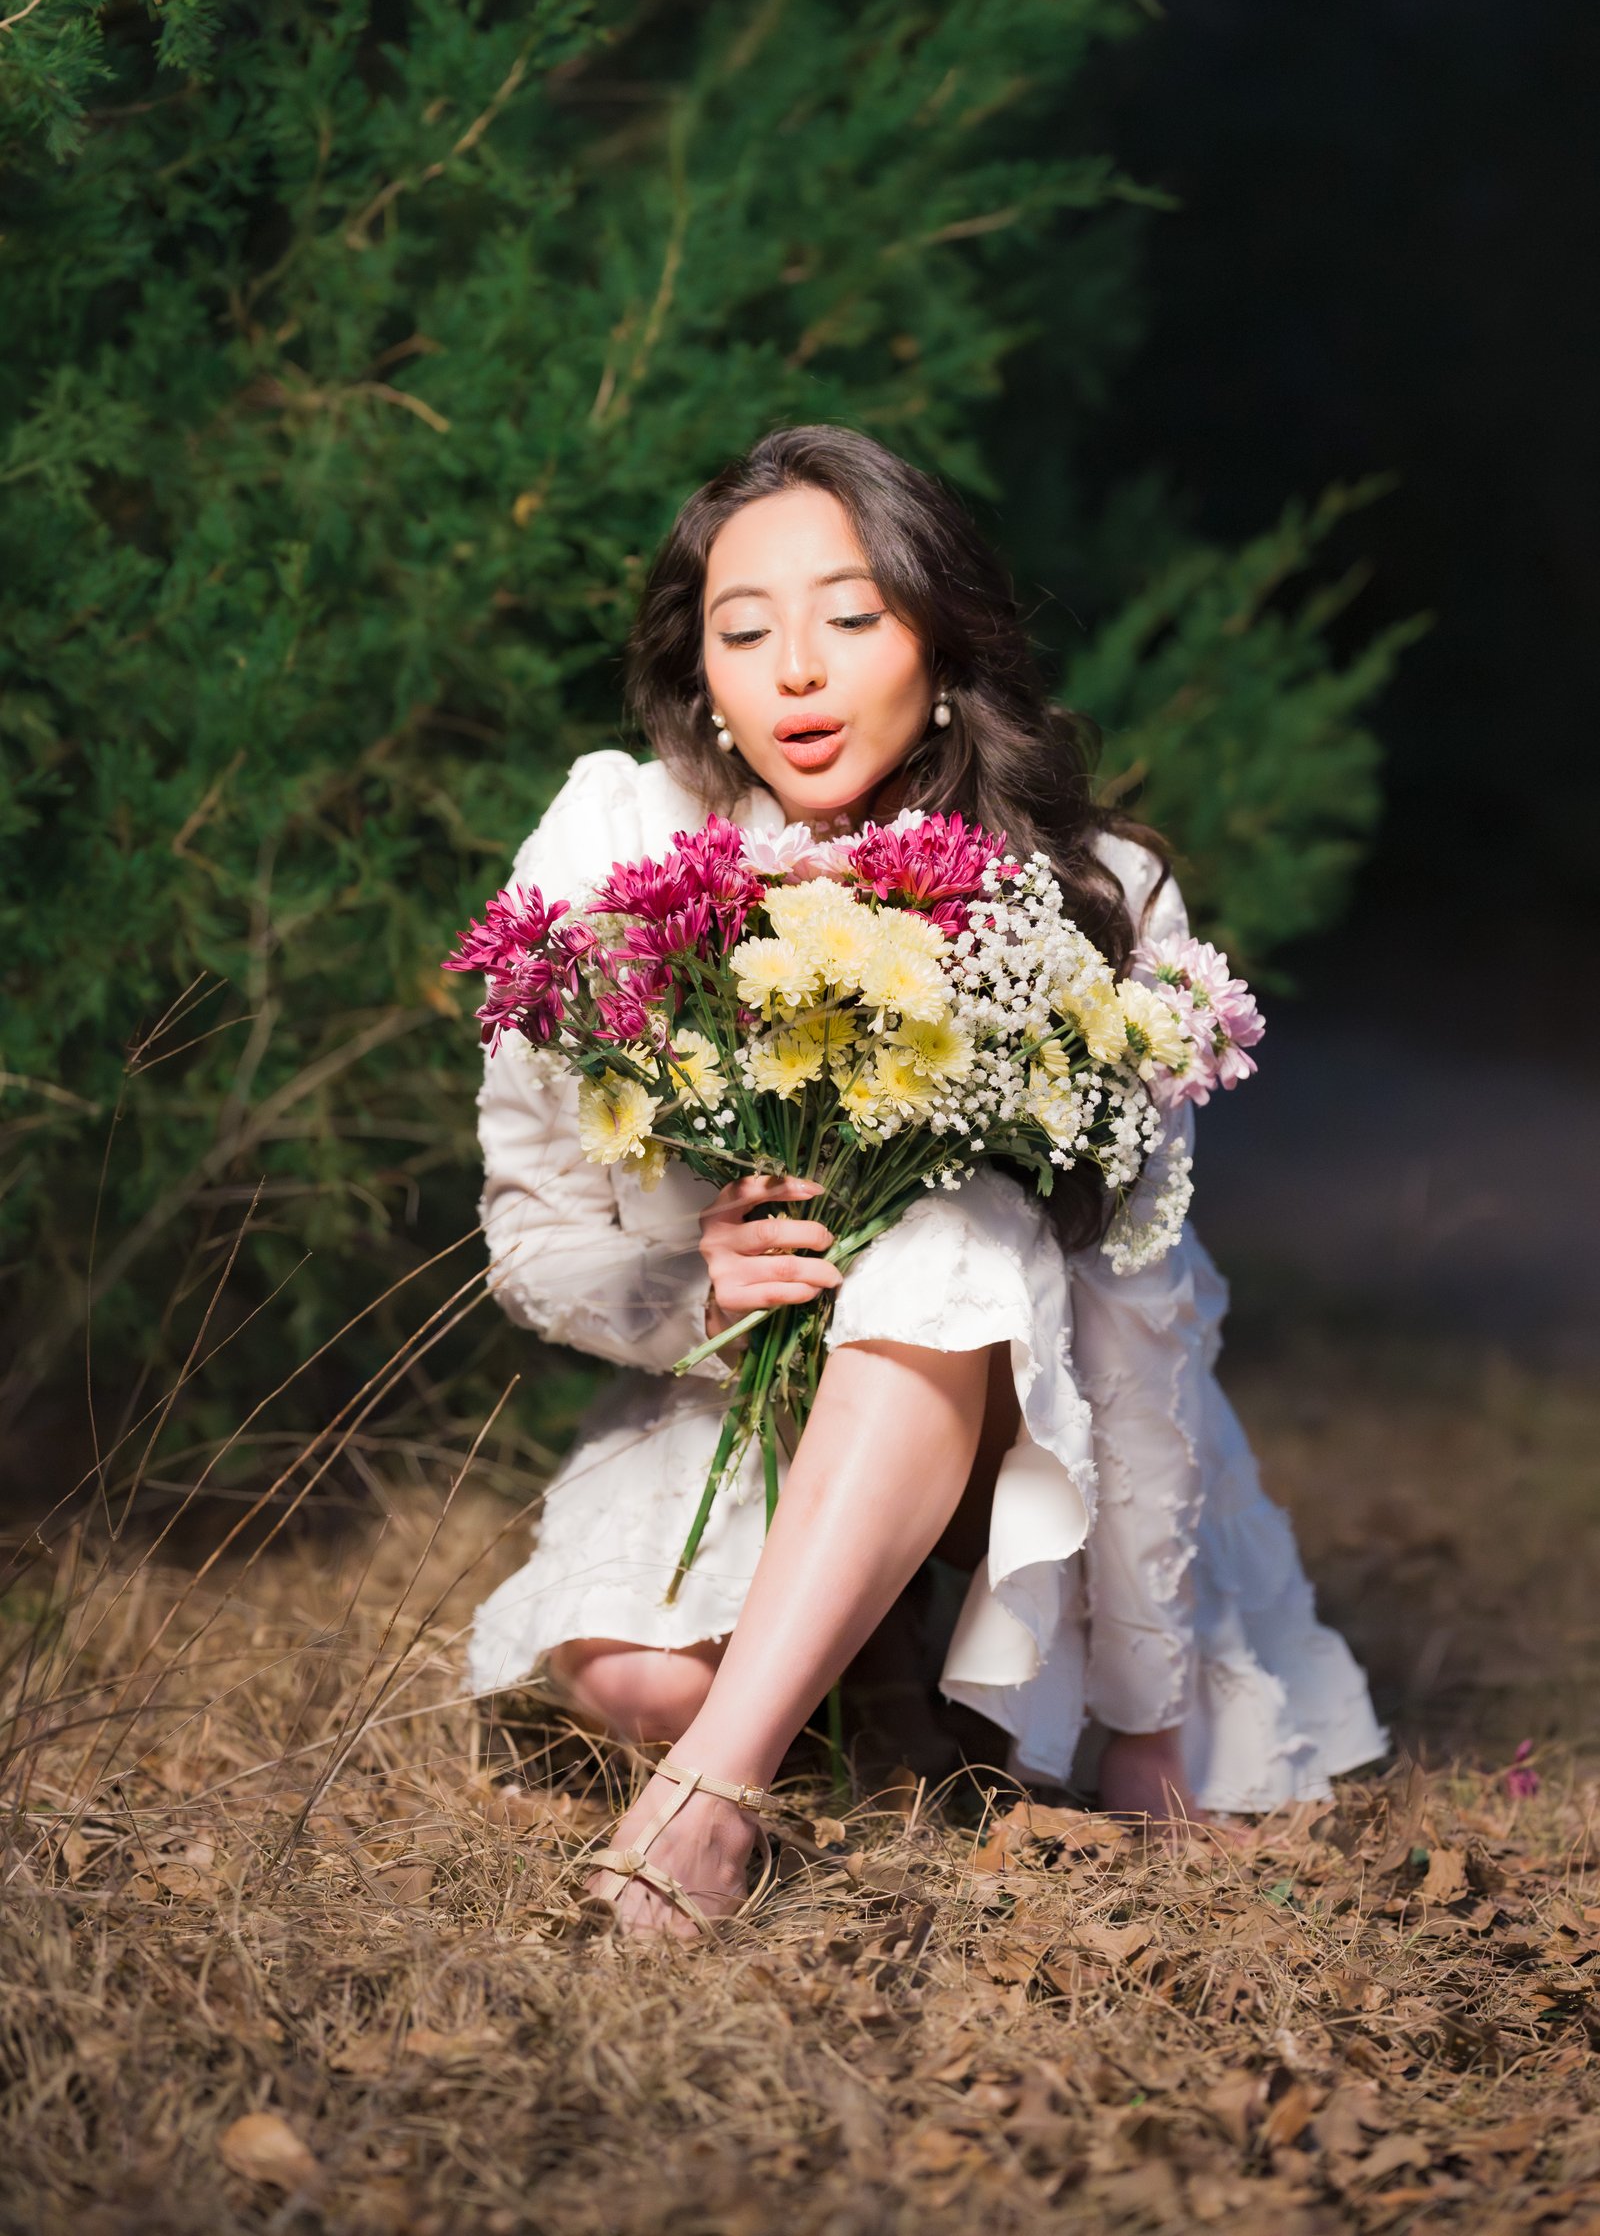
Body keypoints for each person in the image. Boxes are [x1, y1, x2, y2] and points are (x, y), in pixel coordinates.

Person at [465, 425, 1385, 1938]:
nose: (797, 673)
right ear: (699, 669)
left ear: (943, 639)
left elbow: (1144, 1317)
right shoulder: (622, 842)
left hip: (1038, 1443)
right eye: (744, 630)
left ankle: (698, 1818)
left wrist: (1148, 1725)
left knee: (954, 1224)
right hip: (744, 1398)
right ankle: (866, 1678)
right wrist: (689, 1279)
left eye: (853, 614)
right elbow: (531, 1225)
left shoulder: (1089, 892)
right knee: (640, 1681)